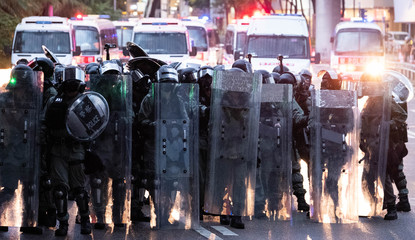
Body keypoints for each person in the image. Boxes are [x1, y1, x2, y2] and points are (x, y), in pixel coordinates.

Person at [42, 66, 91, 236]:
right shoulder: (54, 101)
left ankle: (85, 219)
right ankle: (62, 222)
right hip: (57, 149)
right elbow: (44, 123)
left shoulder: (86, 103)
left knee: (79, 191)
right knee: (59, 190)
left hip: (77, 149)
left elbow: (95, 126)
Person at [279, 72, 310, 212]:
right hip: (273, 138)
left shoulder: (293, 99)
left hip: (289, 139)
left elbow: (297, 116)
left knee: (295, 169)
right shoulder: (273, 97)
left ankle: (300, 199)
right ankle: (273, 202)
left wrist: (306, 118)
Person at [197, 65, 214, 220]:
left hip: (217, 141)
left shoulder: (218, 97)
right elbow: (192, 107)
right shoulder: (195, 95)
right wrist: (205, 110)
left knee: (215, 176)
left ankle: (214, 205)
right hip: (201, 140)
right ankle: (199, 205)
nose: (207, 84)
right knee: (201, 176)